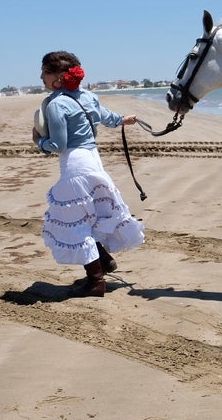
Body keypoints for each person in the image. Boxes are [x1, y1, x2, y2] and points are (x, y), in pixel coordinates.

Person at [33, 51, 145, 297]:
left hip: (75, 166)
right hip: (94, 162)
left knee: (75, 224)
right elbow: (107, 117)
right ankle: (102, 262)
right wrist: (124, 120)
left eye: (44, 72)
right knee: (91, 216)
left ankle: (96, 281)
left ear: (59, 78)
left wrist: (40, 142)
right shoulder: (89, 96)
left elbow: (59, 145)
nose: (41, 76)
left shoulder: (56, 104)